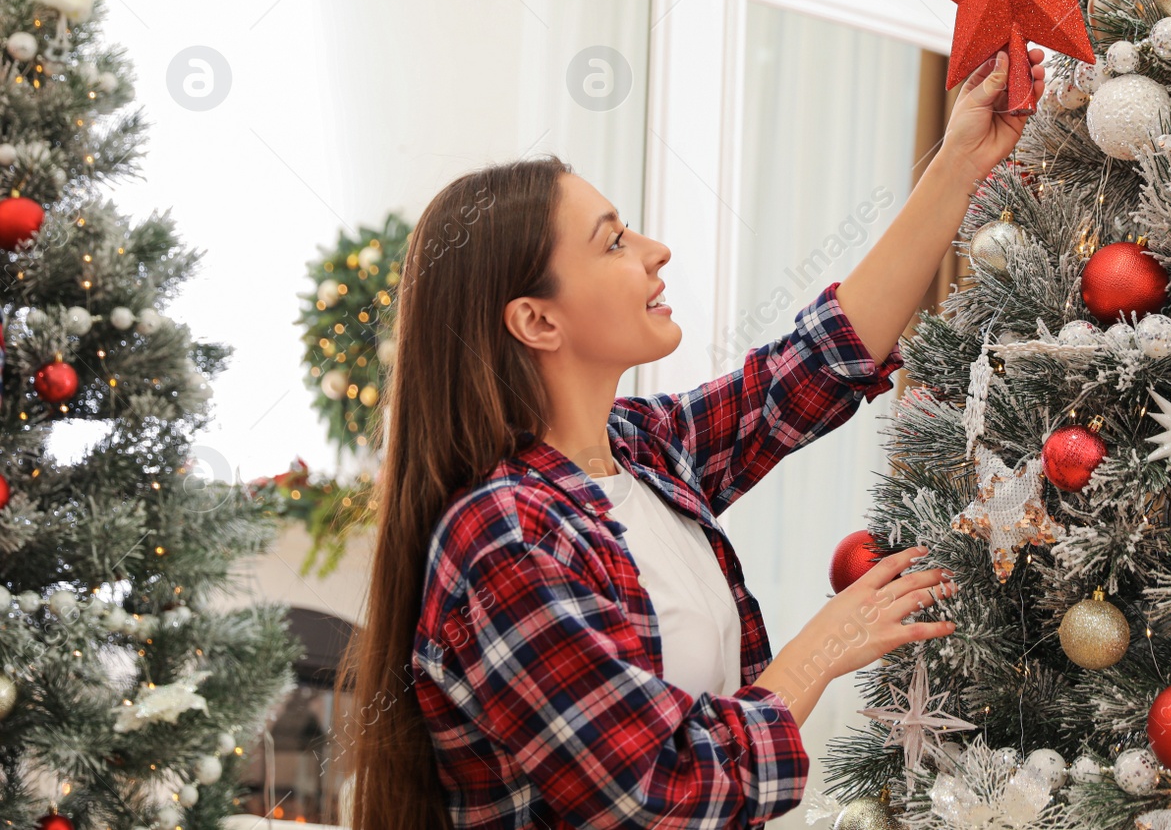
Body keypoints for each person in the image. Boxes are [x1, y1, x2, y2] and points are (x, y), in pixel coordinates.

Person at [339, 48, 1045, 830]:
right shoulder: (504, 537)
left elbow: (816, 364)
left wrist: (957, 164)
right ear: (536, 320)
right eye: (612, 242)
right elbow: (658, 787)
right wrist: (821, 649)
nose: (654, 249)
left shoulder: (642, 451)